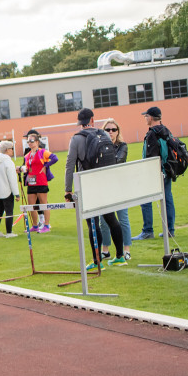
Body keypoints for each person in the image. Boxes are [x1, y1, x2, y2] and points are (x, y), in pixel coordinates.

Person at [64, 108, 126, 268]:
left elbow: (70, 165)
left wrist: (67, 189)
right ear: (92, 120)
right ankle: (120, 256)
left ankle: (97, 260)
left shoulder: (76, 139)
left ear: (79, 122)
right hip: (105, 183)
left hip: (87, 184)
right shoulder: (103, 134)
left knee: (93, 223)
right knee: (112, 219)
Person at [133, 106, 177, 240]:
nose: (145, 119)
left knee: (145, 200)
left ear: (151, 117)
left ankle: (147, 230)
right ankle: (170, 230)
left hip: (156, 172)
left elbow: (151, 157)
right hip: (168, 170)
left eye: (146, 116)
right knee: (167, 198)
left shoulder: (152, 133)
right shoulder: (165, 130)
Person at [98, 120, 133, 261]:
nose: (111, 132)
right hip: (104, 187)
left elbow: (118, 161)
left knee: (123, 219)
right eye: (107, 130)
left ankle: (126, 249)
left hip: (119, 187)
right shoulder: (99, 146)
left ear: (118, 131)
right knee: (103, 221)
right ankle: (105, 250)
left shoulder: (122, 146)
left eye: (113, 129)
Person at [20, 132, 58, 233]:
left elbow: (55, 158)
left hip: (41, 181)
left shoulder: (42, 152)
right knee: (31, 205)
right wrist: (21, 169)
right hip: (31, 182)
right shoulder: (27, 155)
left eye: (31, 141)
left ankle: (46, 226)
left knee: (44, 204)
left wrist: (46, 166)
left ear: (37, 142)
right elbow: (27, 167)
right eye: (28, 141)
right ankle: (35, 225)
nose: (29, 143)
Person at [0, 140, 20, 237]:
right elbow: (12, 178)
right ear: (7, 150)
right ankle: (9, 232)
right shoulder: (8, 162)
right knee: (9, 211)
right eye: (11, 149)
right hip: (6, 191)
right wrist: (16, 193)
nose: (12, 151)